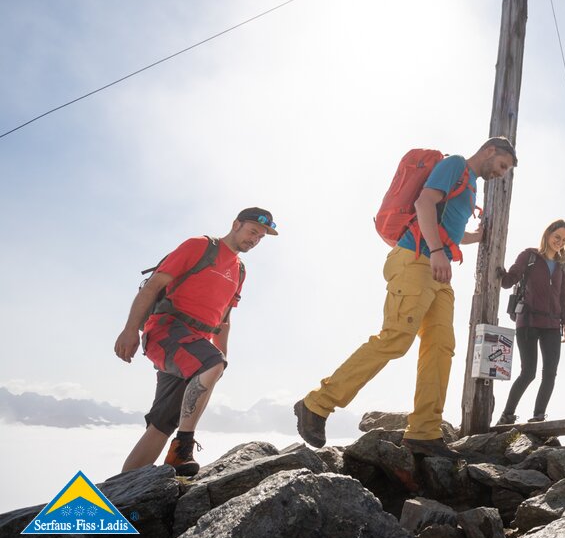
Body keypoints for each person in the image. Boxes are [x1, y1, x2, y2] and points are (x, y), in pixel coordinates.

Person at [294, 137, 517, 459]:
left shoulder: (470, 185)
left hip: (438, 270)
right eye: (502, 166)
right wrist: (438, 252)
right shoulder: (455, 164)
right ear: (490, 151)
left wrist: (474, 238)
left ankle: (425, 433)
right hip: (417, 259)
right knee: (396, 338)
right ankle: (316, 404)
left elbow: (445, 225)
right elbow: (424, 204)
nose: (501, 173)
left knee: (440, 349)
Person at [113, 207, 277, 476]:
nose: (255, 239)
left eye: (260, 237)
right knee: (211, 363)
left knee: (162, 424)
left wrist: (222, 359)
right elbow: (154, 286)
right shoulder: (200, 246)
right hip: (166, 331)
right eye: (252, 231)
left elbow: (223, 320)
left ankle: (119, 492)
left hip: (194, 347)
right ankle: (183, 447)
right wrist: (130, 330)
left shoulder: (239, 271)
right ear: (236, 224)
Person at [494, 219, 565, 425]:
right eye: (557, 237)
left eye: (564, 240)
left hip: (553, 325)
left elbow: (564, 297)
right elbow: (510, 278)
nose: (560, 242)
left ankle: (538, 416)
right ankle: (507, 415)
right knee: (528, 372)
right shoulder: (528, 256)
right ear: (547, 234)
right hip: (528, 321)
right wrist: (501, 273)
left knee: (550, 373)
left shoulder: (563, 267)